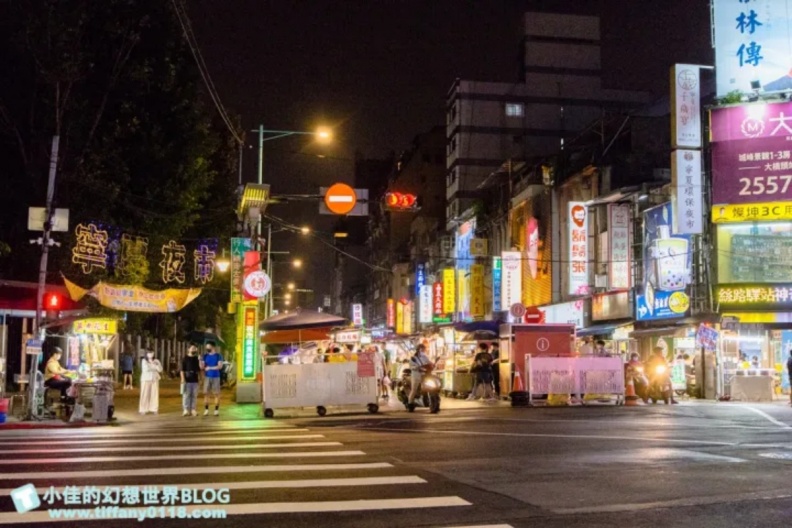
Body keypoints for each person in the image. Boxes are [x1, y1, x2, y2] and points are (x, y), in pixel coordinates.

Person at [201, 342, 223, 416]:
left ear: (213, 347)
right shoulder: (205, 356)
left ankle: (216, 410)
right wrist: (199, 361)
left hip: (216, 377)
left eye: (209, 347)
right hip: (207, 377)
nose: (207, 349)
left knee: (216, 394)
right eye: (207, 347)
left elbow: (220, 366)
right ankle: (206, 409)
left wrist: (210, 367)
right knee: (206, 394)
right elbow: (202, 367)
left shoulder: (218, 356)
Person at [139, 350, 162, 414]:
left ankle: (154, 408)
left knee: (154, 394)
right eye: (149, 352)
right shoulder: (144, 361)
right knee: (144, 394)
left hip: (154, 379)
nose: (150, 354)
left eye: (152, 352)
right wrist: (154, 366)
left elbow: (160, 369)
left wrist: (153, 365)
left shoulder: (156, 361)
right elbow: (146, 369)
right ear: (146, 354)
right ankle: (143, 409)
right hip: (146, 379)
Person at [181, 345, 201, 417]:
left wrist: (200, 360)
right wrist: (183, 379)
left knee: (194, 395)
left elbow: (199, 370)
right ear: (188, 349)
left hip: (195, 379)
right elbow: (182, 370)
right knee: (186, 395)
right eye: (192, 348)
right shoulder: (185, 358)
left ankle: (193, 409)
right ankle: (186, 409)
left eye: (195, 348)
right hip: (187, 379)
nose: (194, 350)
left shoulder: (196, 359)